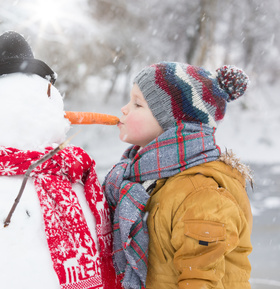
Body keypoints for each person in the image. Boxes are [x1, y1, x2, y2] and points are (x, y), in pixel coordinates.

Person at [103, 61, 253, 289]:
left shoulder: (200, 195)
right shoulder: (144, 180)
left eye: (137, 104)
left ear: (173, 126)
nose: (124, 109)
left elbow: (201, 282)